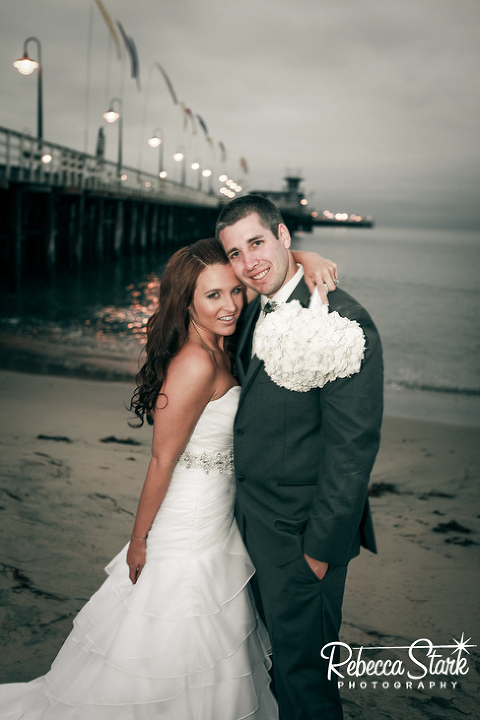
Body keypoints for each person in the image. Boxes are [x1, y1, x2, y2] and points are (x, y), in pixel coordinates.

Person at [0, 237, 336, 719]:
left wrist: (306, 258)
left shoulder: (223, 343)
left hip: (221, 517)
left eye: (233, 292)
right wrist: (138, 539)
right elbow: (161, 461)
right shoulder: (195, 363)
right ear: (187, 302)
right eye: (213, 296)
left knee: (210, 629)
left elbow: (264, 272)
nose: (230, 305)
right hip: (190, 519)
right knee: (178, 625)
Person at [216, 195, 384, 720]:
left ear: (285, 235)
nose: (248, 262)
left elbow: (351, 448)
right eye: (236, 253)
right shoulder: (245, 308)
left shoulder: (342, 322)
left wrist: (321, 550)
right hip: (245, 524)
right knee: (267, 661)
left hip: (301, 534)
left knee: (303, 672)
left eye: (258, 242)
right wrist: (303, 258)